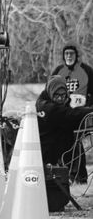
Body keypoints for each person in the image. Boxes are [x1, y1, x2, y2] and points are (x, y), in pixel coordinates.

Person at [51, 42, 93, 183]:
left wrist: (89, 108)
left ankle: (79, 177)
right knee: (62, 141)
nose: (69, 56)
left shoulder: (87, 70)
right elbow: (50, 91)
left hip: (81, 114)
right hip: (63, 113)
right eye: (66, 54)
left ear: (77, 56)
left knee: (75, 141)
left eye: (71, 54)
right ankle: (65, 174)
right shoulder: (58, 71)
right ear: (63, 56)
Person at [36, 75, 93, 170]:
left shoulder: (52, 102)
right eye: (56, 95)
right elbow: (70, 114)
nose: (60, 98)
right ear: (51, 92)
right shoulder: (46, 107)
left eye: (63, 95)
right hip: (48, 156)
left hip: (60, 152)